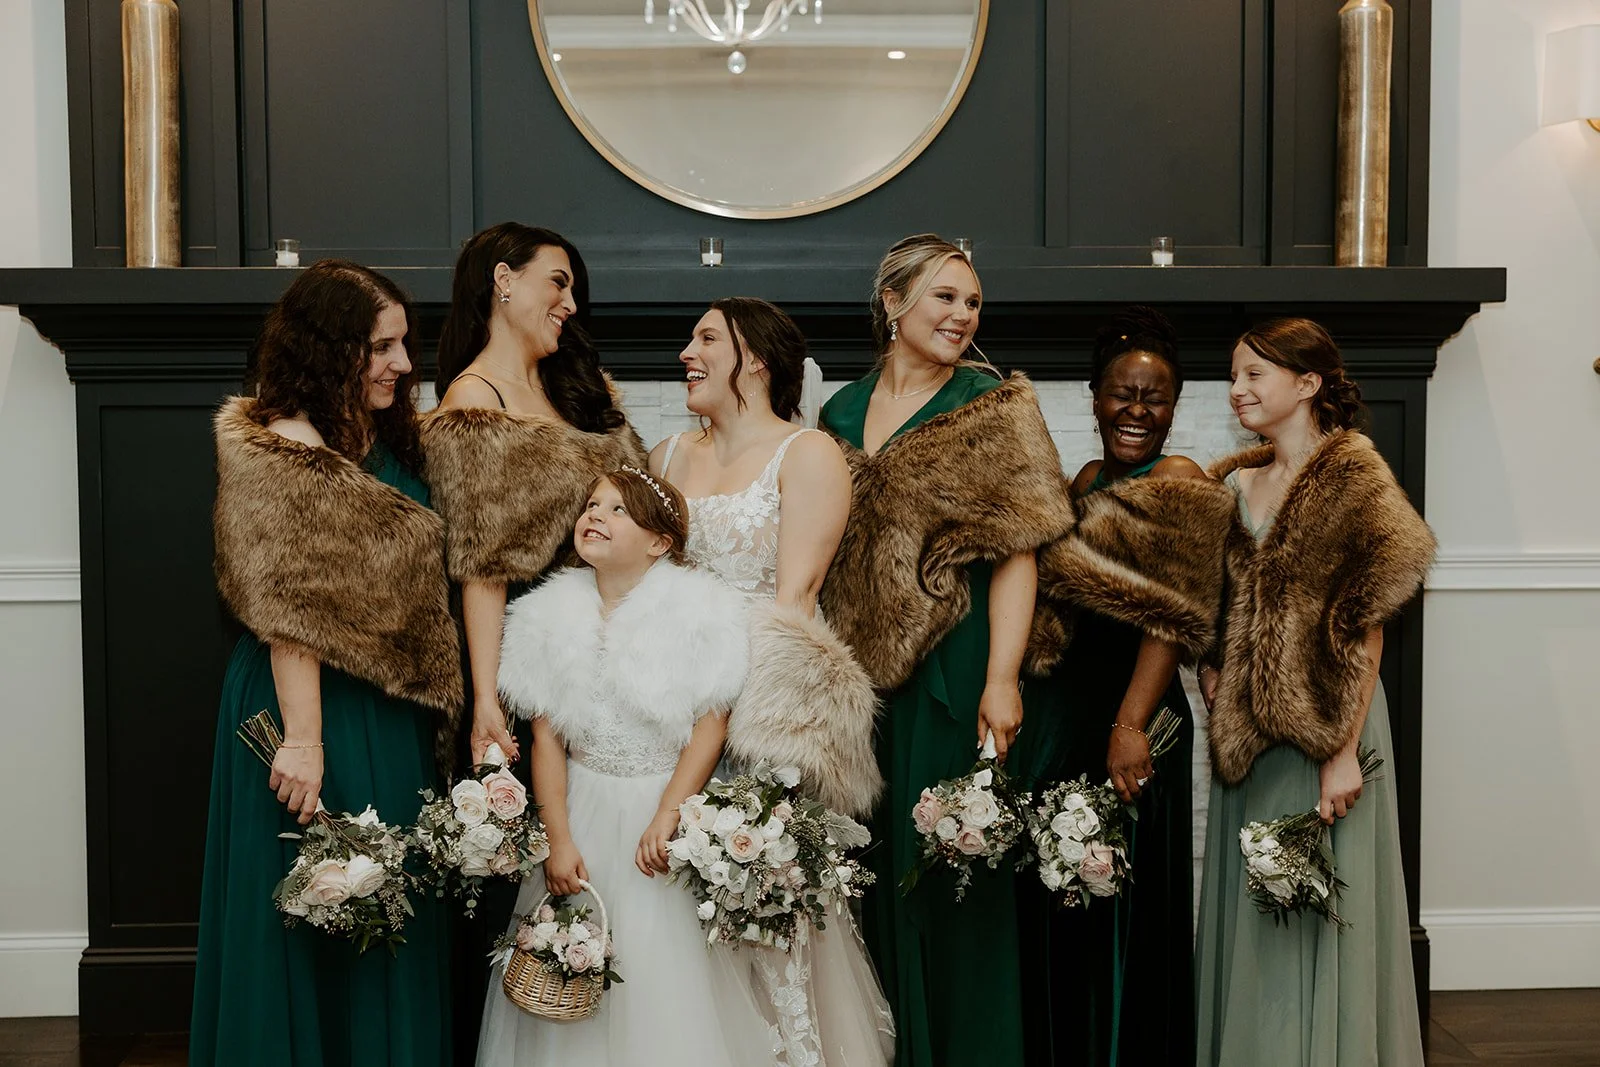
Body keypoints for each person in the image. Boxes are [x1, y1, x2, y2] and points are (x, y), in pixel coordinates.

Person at [817, 234, 1076, 1067]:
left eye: (972, 302)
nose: (963, 315)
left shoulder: (993, 405)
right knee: (873, 864)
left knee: (955, 868)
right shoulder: (840, 413)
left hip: (958, 661)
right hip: (860, 672)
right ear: (892, 303)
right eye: (945, 298)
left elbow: (1021, 552)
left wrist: (1000, 678)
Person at [192, 260, 457, 1066]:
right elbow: (289, 607)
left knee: (386, 907)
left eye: (405, 343)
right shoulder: (284, 445)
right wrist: (303, 739)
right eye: (383, 345)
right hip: (309, 701)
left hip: (385, 704)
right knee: (316, 906)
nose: (404, 363)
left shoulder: (373, 432)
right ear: (329, 348)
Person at [422, 223, 645, 1059]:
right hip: (530, 667)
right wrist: (487, 698)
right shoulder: (474, 402)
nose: (570, 303)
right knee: (529, 872)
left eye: (574, 289)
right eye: (557, 282)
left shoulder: (576, 389)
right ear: (503, 282)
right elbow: (481, 565)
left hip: (612, 665)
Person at [652, 296, 893, 1066]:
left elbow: (792, 599)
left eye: (705, 338)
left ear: (754, 357)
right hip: (659, 714)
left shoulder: (808, 454)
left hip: (758, 720)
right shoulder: (662, 458)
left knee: (756, 909)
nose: (686, 351)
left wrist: (717, 705)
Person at [1195, 317, 1432, 1066]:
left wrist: (1340, 751)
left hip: (1329, 724)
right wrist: (1211, 674)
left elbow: (1368, 628)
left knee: (1322, 911)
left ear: (1308, 383)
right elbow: (1221, 611)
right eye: (1233, 375)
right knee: (1259, 911)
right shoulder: (1236, 481)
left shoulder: (1356, 478)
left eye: (1254, 374)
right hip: (1250, 738)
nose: (1237, 390)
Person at [476, 468, 772, 1066]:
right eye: (591, 505)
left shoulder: (702, 612)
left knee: (660, 967)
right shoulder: (544, 617)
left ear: (659, 542)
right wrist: (557, 837)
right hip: (580, 809)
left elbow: (710, 725)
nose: (596, 517)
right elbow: (547, 741)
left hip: (660, 804)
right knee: (572, 958)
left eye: (618, 511)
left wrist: (669, 813)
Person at [1019, 307, 1231, 1066]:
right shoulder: (1084, 479)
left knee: (1122, 898)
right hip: (1068, 715)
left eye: (1157, 397)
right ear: (1093, 395)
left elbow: (1171, 618)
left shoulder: (1179, 479)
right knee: (1067, 891)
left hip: (1130, 714)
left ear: (1175, 407)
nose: (1138, 411)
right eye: (1122, 393)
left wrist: (1129, 723)